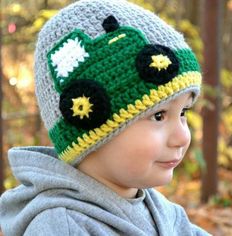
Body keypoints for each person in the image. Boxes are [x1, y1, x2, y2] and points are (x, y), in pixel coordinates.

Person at [0, 0, 211, 235]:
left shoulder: (160, 210)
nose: (182, 136)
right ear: (92, 133)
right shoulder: (63, 227)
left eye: (183, 112)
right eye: (159, 115)